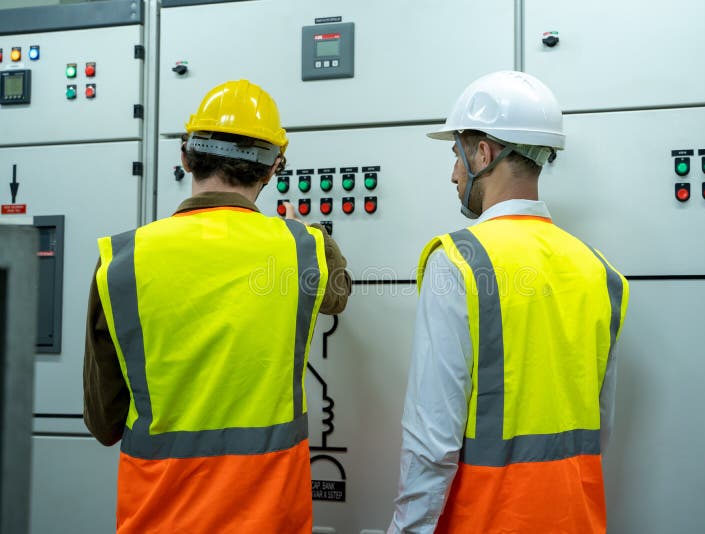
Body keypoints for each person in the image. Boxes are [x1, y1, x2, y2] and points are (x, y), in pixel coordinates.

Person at [83, 79, 351, 533]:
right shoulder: (303, 249)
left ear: (186, 157)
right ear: (272, 170)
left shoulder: (121, 262)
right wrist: (315, 239)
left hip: (157, 520)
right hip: (271, 520)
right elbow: (339, 294)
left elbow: (104, 422)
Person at [388, 71, 629, 533]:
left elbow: (430, 440)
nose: (454, 173)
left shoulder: (458, 262)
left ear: (483, 153)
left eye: (457, 154)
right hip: (575, 520)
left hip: (487, 520)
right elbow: (600, 427)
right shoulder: (599, 271)